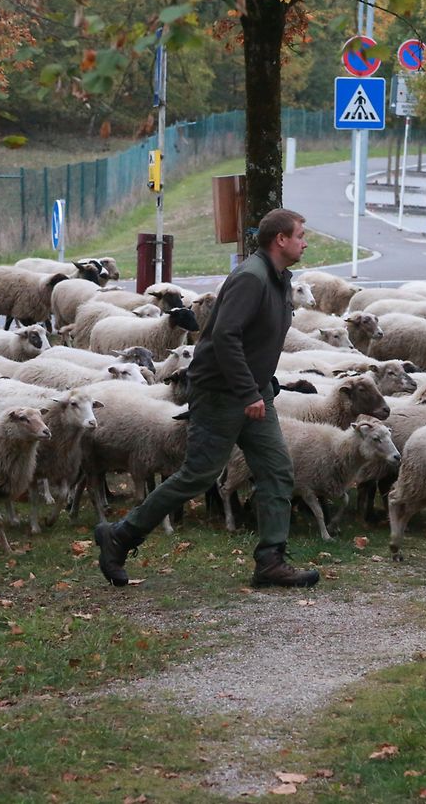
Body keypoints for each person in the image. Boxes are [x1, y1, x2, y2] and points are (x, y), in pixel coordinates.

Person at [93, 208, 320, 589]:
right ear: (280, 239)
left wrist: (262, 385)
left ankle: (270, 561)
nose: (305, 241)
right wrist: (248, 390)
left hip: (254, 392)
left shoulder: (279, 278)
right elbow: (225, 336)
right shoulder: (251, 278)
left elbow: (253, 339)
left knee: (278, 470)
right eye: (300, 234)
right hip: (223, 393)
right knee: (197, 475)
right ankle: (120, 536)